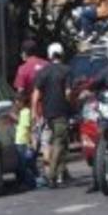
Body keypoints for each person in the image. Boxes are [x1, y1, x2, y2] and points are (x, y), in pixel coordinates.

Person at [32, 42, 72, 188]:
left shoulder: (43, 72)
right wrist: (72, 104)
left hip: (47, 114)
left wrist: (35, 113)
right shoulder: (67, 70)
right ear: (62, 54)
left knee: (60, 142)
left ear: (49, 55)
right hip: (61, 113)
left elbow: (36, 95)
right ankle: (52, 176)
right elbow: (68, 93)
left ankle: (62, 173)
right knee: (58, 143)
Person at [13, 89, 37, 190]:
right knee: (21, 165)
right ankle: (25, 183)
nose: (16, 103)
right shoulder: (22, 112)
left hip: (23, 142)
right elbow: (20, 122)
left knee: (24, 165)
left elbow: (28, 128)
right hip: (19, 141)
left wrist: (31, 142)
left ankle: (29, 183)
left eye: (18, 101)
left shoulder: (26, 112)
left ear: (22, 102)